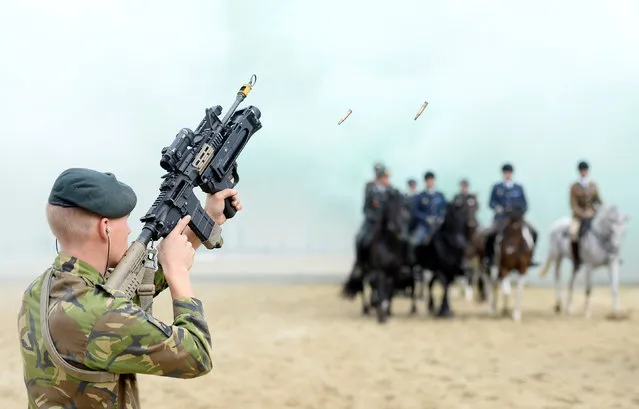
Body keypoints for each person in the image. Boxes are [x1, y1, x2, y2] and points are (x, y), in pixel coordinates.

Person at [18, 168, 242, 408]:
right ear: (104, 227)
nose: (127, 231)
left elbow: (130, 290)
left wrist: (206, 219)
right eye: (124, 222)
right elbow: (196, 355)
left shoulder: (39, 290)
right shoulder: (98, 315)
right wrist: (178, 273)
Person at [483, 163, 538, 268]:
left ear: (512, 173)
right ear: (503, 174)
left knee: (534, 232)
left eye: (509, 172)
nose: (507, 174)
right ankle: (488, 258)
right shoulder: (497, 187)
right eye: (505, 173)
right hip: (501, 219)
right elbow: (491, 203)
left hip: (517, 219)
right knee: (490, 234)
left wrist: (520, 211)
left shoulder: (518, 188)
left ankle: (530, 258)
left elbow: (525, 204)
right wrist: (498, 208)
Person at [569, 160, 602, 272]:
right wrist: (582, 214)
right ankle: (576, 260)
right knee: (573, 233)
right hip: (579, 216)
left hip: (592, 214)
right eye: (582, 170)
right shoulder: (574, 187)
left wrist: (603, 209)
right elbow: (573, 205)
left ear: (587, 171)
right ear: (579, 171)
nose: (584, 172)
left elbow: (598, 200)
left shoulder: (593, 185)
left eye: (585, 170)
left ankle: (608, 254)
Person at [408, 171, 447, 263]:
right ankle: (415, 263)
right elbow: (415, 212)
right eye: (428, 180)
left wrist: (441, 217)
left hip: (439, 226)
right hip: (425, 226)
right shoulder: (420, 196)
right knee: (416, 242)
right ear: (425, 182)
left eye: (432, 180)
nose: (430, 182)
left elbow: (445, 209)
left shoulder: (440, 195)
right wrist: (425, 218)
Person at [355, 165, 391, 256]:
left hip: (387, 222)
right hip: (373, 221)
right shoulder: (371, 189)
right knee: (361, 239)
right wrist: (373, 217)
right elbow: (366, 208)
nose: (387, 180)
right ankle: (361, 263)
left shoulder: (391, 190)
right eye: (384, 177)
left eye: (387, 177)